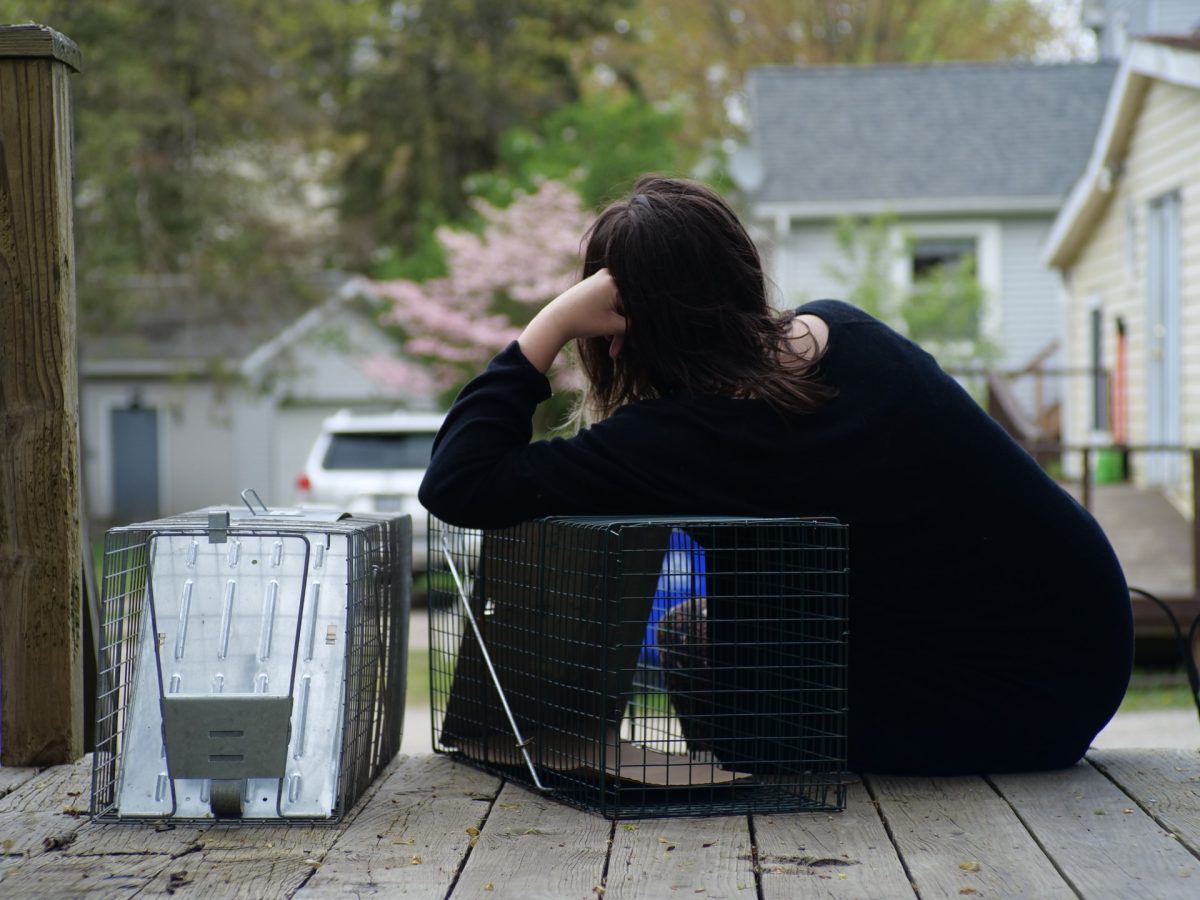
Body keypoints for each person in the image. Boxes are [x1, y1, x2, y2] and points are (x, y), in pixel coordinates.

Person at [419, 174, 1133, 775]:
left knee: (693, 644)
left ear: (621, 324)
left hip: (986, 705)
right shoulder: (849, 334)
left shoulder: (681, 438)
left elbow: (460, 483)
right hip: (1083, 659)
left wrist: (549, 323)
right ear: (741, 271)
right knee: (707, 628)